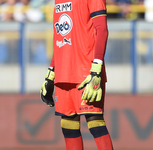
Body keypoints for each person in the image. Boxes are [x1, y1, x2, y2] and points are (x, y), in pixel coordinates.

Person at [40, 0, 114, 150]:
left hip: (87, 71)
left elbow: (102, 30)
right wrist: (51, 73)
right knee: (68, 126)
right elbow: (60, 38)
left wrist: (96, 67)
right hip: (63, 71)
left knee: (95, 122)